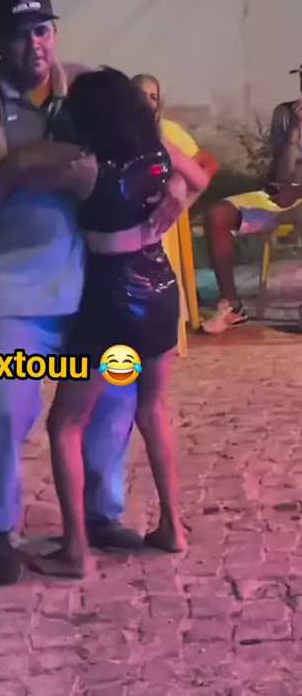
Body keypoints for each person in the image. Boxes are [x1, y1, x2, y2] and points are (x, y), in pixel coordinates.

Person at [0, 0, 154, 586]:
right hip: (13, 293)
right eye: (18, 34)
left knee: (115, 398)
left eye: (42, 30)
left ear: (54, 32)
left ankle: (100, 514)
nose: (33, 43)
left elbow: (143, 152)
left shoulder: (81, 91)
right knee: (8, 408)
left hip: (94, 290)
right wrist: (12, 170)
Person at [26, 68, 210, 578]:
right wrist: (177, 188)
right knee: (153, 408)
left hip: (108, 297)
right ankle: (172, 526)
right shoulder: (160, 151)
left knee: (66, 423)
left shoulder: (83, 168)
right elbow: (201, 178)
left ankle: (77, 550)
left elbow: (13, 173)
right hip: (159, 289)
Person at [202, 67, 302, 333]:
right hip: (281, 196)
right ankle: (232, 306)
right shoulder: (286, 114)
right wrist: (294, 133)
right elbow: (282, 174)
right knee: (217, 215)